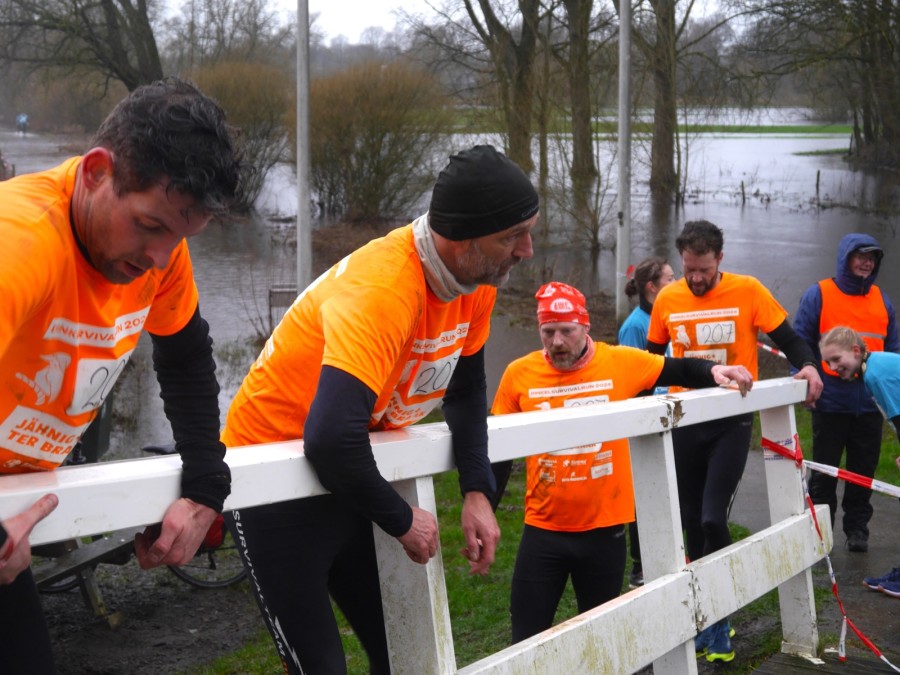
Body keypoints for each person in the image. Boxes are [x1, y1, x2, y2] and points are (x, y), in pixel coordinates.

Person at [221, 144, 538, 674]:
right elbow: (328, 438)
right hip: (271, 480)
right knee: (320, 667)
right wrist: (403, 520)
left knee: (401, 653)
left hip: (352, 472)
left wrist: (477, 490)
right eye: (512, 236)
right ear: (462, 236)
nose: (526, 250)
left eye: (528, 231)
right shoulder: (386, 290)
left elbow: (464, 390)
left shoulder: (474, 281)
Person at [0, 77, 244, 673]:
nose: (159, 258)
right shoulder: (19, 243)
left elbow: (185, 357)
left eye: (180, 237)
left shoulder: (161, 256)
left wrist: (205, 487)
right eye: (150, 226)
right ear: (96, 172)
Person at [492, 281, 753, 644]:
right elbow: (497, 449)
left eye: (566, 331)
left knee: (603, 641)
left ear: (585, 326)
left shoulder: (619, 362)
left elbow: (677, 369)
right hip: (543, 530)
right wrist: (485, 510)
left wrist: (714, 372)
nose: (557, 342)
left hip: (605, 531)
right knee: (525, 641)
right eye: (548, 332)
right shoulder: (518, 373)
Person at [646, 220, 823, 663]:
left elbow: (790, 339)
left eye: (704, 269)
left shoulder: (748, 290)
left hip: (730, 422)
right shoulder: (668, 298)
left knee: (712, 519)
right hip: (685, 421)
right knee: (689, 522)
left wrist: (808, 365)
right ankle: (702, 617)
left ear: (720, 259)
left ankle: (721, 614)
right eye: (689, 269)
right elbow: (650, 361)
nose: (695, 278)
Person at [793, 234, 898, 553]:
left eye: (872, 258)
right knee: (824, 474)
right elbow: (799, 340)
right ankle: (819, 535)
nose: (866, 262)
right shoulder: (819, 293)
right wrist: (802, 378)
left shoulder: (882, 299)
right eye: (860, 256)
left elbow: (893, 346)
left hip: (871, 405)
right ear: (845, 258)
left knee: (862, 473)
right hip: (830, 402)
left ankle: (857, 531)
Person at [819, 326, 900, 596]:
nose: (833, 368)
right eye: (828, 363)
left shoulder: (875, 374)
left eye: (836, 359)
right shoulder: (871, 370)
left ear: (856, 351)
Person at [617, 256, 675, 587]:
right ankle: (640, 566)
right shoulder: (635, 326)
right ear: (652, 287)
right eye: (670, 278)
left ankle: (668, 555)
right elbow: (633, 378)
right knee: (645, 493)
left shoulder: (667, 317)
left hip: (670, 417)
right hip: (647, 420)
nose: (676, 283)